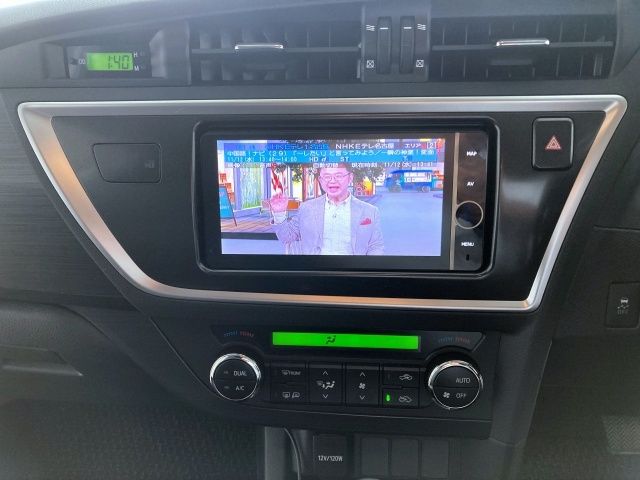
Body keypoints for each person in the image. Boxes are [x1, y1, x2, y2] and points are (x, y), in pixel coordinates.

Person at [270, 165, 384, 255]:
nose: (332, 181)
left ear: (350, 178)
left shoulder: (370, 211)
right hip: (315, 271)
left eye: (338, 176)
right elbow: (287, 237)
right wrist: (279, 213)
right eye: (327, 176)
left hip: (353, 272)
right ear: (320, 180)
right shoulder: (307, 208)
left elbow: (375, 246)